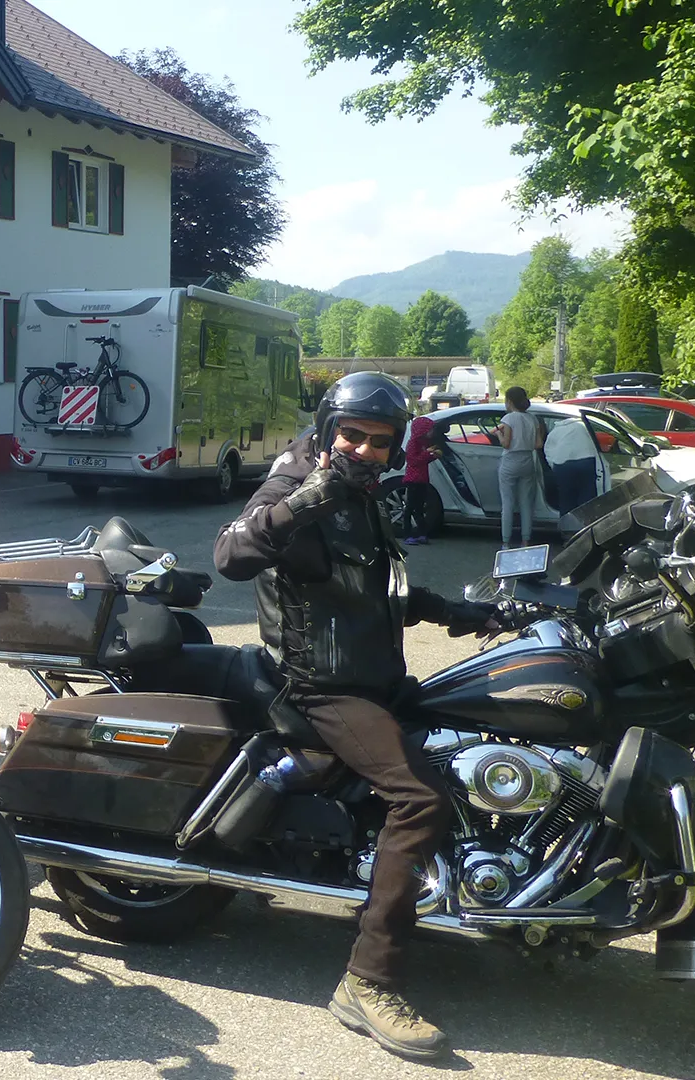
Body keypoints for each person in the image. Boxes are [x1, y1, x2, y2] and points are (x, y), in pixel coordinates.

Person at [214, 371, 497, 1061]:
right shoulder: (296, 482)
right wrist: (312, 496)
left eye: (381, 440)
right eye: (354, 435)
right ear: (326, 428)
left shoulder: (366, 495)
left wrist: (464, 611)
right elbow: (231, 556)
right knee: (419, 799)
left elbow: (375, 587)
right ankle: (369, 982)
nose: (367, 450)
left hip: (373, 674)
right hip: (318, 686)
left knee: (487, 725)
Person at [495, 386, 544, 549]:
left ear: (509, 401)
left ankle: (506, 541)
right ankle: (525, 541)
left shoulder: (508, 419)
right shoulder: (532, 419)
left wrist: (498, 434)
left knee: (507, 502)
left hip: (510, 461)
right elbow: (538, 443)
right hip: (528, 461)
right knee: (526, 503)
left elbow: (506, 443)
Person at [398, 412, 439, 545]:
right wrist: (427, 453)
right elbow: (413, 460)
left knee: (420, 508)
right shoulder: (413, 443)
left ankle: (421, 533)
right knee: (410, 507)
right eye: (429, 430)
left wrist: (433, 456)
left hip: (422, 479)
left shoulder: (423, 443)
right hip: (413, 480)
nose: (431, 432)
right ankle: (407, 534)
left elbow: (423, 461)